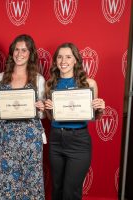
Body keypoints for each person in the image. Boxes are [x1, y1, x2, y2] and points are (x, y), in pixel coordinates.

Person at [44, 42, 105, 200]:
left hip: (79, 141)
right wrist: (48, 109)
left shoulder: (89, 84)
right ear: (56, 61)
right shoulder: (50, 84)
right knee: (57, 188)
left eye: (68, 57)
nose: (63, 60)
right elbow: (51, 118)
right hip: (56, 139)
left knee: (71, 191)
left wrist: (100, 108)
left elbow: (95, 117)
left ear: (76, 60)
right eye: (60, 57)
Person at [0, 34, 46, 199]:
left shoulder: (38, 79)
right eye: (16, 49)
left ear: (30, 54)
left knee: (31, 181)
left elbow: (42, 115)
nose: (19, 54)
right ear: (11, 52)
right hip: (6, 139)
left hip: (31, 141)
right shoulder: (1, 78)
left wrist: (41, 108)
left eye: (24, 50)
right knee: (6, 181)